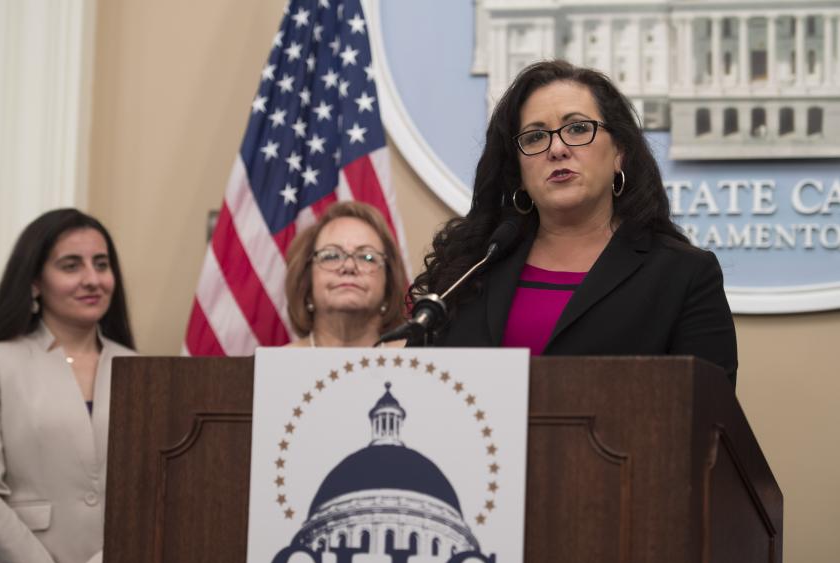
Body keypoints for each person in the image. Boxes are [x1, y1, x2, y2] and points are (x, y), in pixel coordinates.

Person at [410, 60, 737, 386]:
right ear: (519, 172)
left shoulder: (683, 275)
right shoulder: (470, 269)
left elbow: (706, 420)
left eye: (578, 128)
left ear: (619, 152)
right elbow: (419, 389)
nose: (556, 149)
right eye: (535, 136)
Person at [0, 208, 136, 563]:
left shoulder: (141, 369)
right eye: (71, 265)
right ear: (34, 282)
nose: (92, 279)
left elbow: (152, 493)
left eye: (101, 265)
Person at [284, 201, 408, 348]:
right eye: (331, 256)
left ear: (388, 286)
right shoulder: (268, 368)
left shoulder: (417, 365)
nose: (349, 267)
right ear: (306, 282)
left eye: (366, 257)